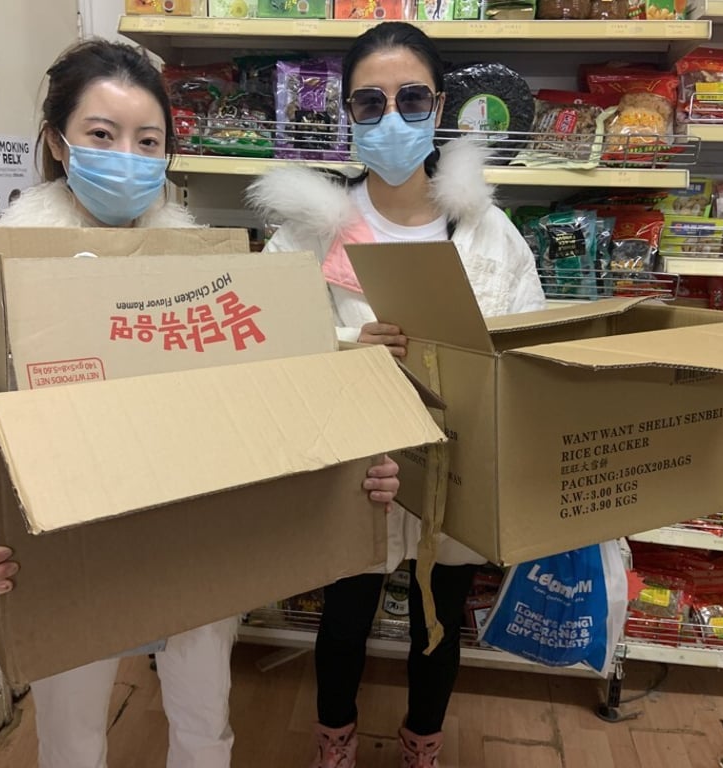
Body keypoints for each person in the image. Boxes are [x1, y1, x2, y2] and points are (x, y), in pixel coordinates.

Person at [0, 39, 402, 768]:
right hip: (62, 548)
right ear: (58, 143)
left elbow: (276, 401)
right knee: (72, 735)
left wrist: (351, 468)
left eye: (148, 140)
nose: (128, 156)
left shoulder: (210, 276)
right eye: (101, 135)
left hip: (195, 535)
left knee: (203, 719)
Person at [246, 22, 545, 768]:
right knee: (343, 615)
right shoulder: (309, 237)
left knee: (441, 619)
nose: (391, 118)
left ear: (439, 106)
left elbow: (529, 351)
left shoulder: (489, 234)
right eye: (370, 102)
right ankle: (335, 744)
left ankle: (422, 746)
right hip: (353, 466)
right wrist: (352, 352)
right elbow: (271, 359)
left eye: (411, 98)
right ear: (348, 113)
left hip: (455, 465)